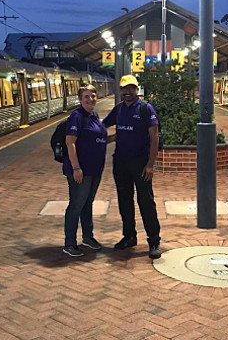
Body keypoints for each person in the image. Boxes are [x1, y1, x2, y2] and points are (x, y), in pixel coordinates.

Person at [102, 74, 162, 259]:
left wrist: (150, 165)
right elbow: (102, 125)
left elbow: (154, 137)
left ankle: (153, 241)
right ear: (120, 91)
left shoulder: (145, 108)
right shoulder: (118, 109)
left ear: (137, 90)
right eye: (125, 89)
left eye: (131, 88)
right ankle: (129, 236)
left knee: (146, 202)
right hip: (121, 162)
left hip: (141, 163)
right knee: (124, 201)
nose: (128, 92)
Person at [61, 84, 107, 257]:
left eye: (93, 96)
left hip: (95, 169)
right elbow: (70, 142)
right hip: (81, 170)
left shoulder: (94, 115)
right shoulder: (76, 116)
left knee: (87, 203)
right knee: (76, 204)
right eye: (86, 97)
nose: (90, 99)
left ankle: (88, 236)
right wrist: (76, 168)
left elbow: (98, 138)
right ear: (80, 99)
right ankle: (69, 243)